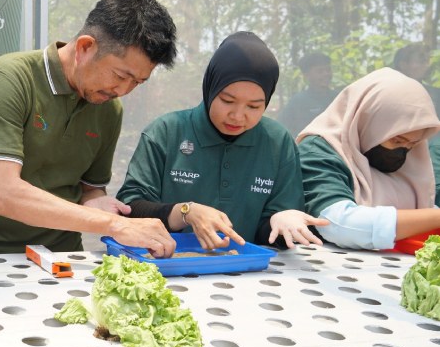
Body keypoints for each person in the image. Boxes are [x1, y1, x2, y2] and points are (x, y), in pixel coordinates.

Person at [0, 0, 179, 257]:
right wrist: (114, 224)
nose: (123, 90)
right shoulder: (11, 78)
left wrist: (98, 203)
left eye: (137, 82)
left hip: (62, 255)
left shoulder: (109, 109)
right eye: (120, 75)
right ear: (85, 47)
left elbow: (90, 188)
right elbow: (3, 195)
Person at [117, 31, 327, 250]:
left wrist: (280, 222)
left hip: (250, 271)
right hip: (168, 265)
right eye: (227, 101)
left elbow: (275, 232)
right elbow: (131, 208)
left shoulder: (277, 142)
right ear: (210, 88)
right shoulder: (167, 132)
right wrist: (185, 212)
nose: (237, 115)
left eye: (254, 106)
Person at [298, 68, 440, 250]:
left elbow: (421, 207)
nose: (404, 151)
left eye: (412, 144)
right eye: (396, 140)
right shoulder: (319, 151)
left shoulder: (408, 155)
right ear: (369, 122)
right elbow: (337, 224)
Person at [277, 52, 338, 138]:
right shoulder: (297, 102)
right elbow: (282, 129)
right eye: (320, 71)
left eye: (328, 70)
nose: (326, 74)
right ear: (307, 75)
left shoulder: (338, 98)